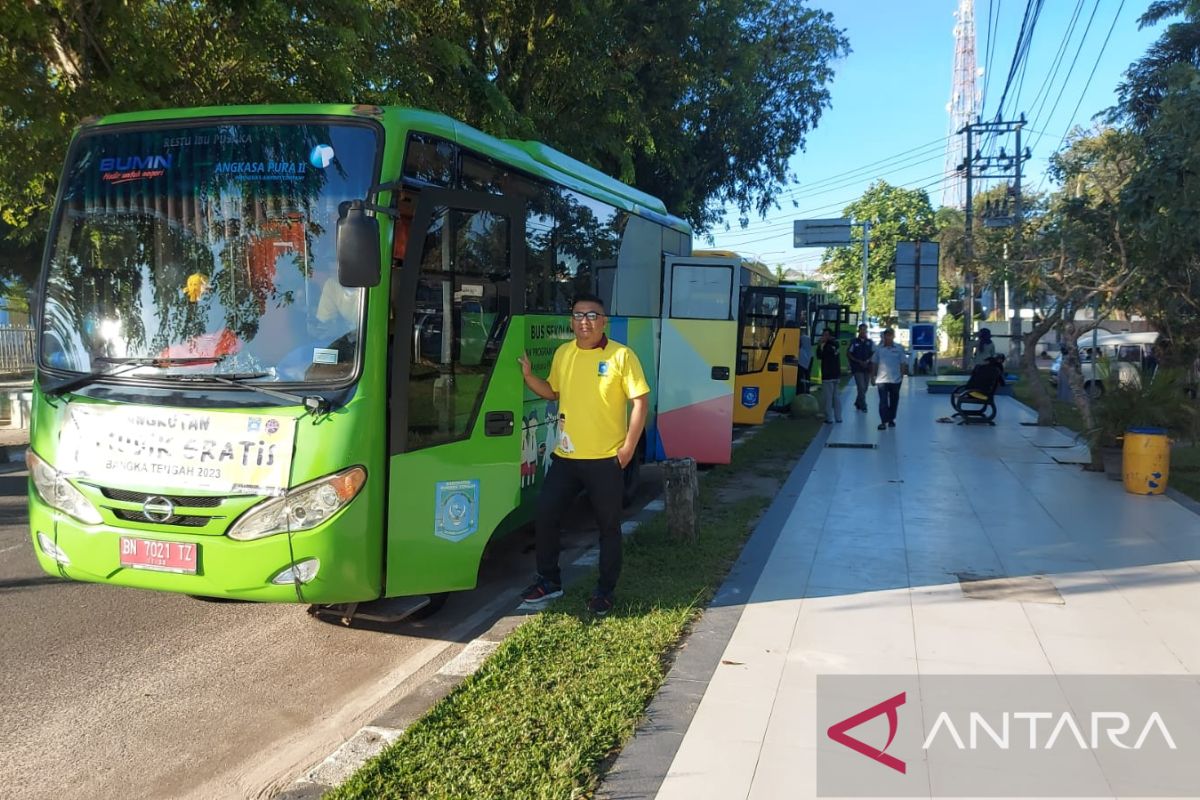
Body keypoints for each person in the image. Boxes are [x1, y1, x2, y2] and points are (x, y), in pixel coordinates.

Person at [518, 293, 650, 616]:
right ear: (571, 322)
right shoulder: (564, 354)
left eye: (592, 315)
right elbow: (554, 391)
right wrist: (528, 377)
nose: (584, 322)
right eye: (578, 316)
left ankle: (604, 591)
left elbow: (640, 402)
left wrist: (629, 448)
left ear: (604, 321)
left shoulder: (622, 356)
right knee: (546, 514)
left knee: (608, 527)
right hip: (567, 458)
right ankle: (549, 580)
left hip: (606, 460)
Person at [871, 328, 908, 431]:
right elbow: (874, 363)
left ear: (893, 336)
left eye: (890, 335)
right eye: (886, 335)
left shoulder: (899, 348)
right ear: (884, 336)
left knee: (894, 400)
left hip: (895, 380)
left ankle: (891, 419)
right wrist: (872, 376)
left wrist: (901, 375)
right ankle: (883, 422)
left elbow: (902, 362)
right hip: (881, 380)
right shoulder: (879, 349)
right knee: (883, 401)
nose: (888, 337)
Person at [817, 328, 842, 423]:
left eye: (826, 335)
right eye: (823, 335)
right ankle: (838, 417)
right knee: (836, 396)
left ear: (830, 336)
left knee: (828, 397)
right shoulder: (836, 344)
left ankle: (829, 418)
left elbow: (820, 356)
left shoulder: (827, 346)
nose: (824, 337)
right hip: (836, 373)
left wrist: (820, 345)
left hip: (828, 374)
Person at [847, 323, 874, 412]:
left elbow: (874, 353)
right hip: (857, 368)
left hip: (867, 368)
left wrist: (868, 361)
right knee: (861, 387)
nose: (863, 331)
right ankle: (863, 405)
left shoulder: (870, 342)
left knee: (865, 387)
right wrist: (858, 361)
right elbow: (849, 354)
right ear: (859, 330)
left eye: (865, 330)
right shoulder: (854, 342)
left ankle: (858, 402)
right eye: (861, 329)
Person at [797, 329, 813, 394]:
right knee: (807, 376)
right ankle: (807, 390)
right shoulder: (808, 338)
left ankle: (801, 391)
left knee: (800, 377)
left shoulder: (801, 338)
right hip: (810, 357)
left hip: (801, 360)